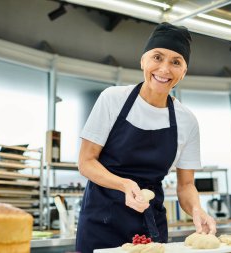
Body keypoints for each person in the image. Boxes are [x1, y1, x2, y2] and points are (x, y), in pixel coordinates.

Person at [76, 22, 217, 253]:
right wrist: (124, 184)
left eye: (176, 62)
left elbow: (186, 184)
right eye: (157, 57)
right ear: (143, 61)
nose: (164, 69)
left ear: (184, 72)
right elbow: (86, 162)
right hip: (100, 221)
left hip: (149, 225)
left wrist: (196, 210)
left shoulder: (187, 121)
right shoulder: (112, 99)